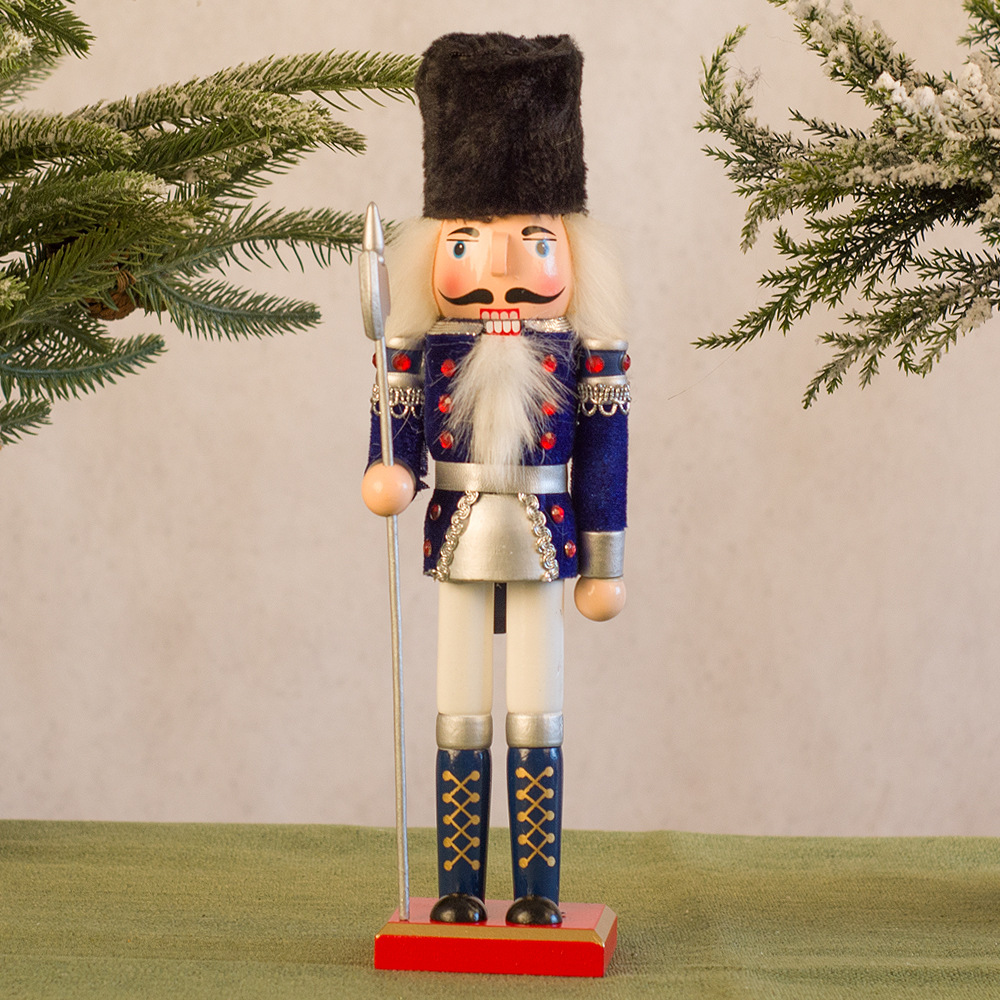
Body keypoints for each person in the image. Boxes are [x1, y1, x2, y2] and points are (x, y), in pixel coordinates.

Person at [361, 32, 629, 927]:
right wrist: (390, 471)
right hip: (456, 533)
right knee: (460, 708)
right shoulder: (423, 348)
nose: (501, 270)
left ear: (575, 254)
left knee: (536, 710)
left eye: (532, 243)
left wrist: (605, 564)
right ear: (431, 252)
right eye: (470, 243)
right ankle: (460, 888)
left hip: (548, 537)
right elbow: (396, 431)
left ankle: (540, 892)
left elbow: (605, 455)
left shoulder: (586, 356)